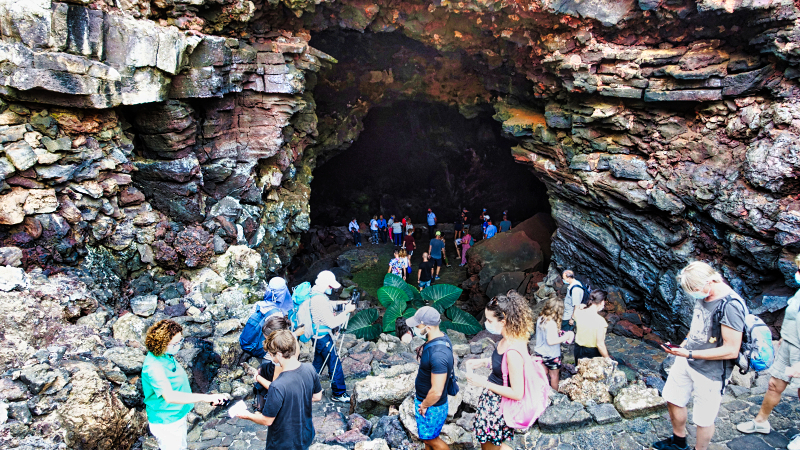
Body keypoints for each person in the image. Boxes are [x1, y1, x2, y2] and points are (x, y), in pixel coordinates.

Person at [653, 261, 746, 450]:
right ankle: (679, 442)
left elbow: (731, 349)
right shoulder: (704, 295)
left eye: (695, 289)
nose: (694, 293)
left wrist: (689, 353)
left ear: (710, 281)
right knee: (673, 397)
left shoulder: (731, 306)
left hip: (711, 371)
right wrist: (683, 347)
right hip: (687, 359)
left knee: (704, 418)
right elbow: (697, 325)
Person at [736, 255, 800, 450]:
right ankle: (761, 422)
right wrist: (783, 338)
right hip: (790, 344)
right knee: (773, 385)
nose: (797, 274)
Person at [142, 320, 230, 450]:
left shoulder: (165, 355)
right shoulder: (154, 367)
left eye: (180, 341)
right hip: (167, 421)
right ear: (162, 343)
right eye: (175, 343)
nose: (179, 345)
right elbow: (170, 396)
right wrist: (205, 398)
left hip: (176, 414)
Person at [467, 291, 535, 450]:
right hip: (491, 403)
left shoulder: (513, 350)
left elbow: (518, 393)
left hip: (498, 407)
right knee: (492, 445)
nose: (486, 323)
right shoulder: (507, 339)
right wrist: (484, 362)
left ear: (503, 320)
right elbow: (504, 366)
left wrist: (484, 383)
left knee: (490, 447)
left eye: (489, 320)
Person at [236, 330, 323, 450]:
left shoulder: (277, 386)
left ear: (279, 354)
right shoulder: (310, 368)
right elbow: (317, 396)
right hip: (305, 434)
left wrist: (248, 415)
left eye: (271, 354)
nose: (271, 357)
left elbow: (267, 420)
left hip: (284, 443)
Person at [407, 307, 454, 450]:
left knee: (433, 440)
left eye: (417, 325)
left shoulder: (439, 354)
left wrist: (424, 405)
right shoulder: (440, 337)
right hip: (427, 402)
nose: (415, 328)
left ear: (427, 327)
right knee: (427, 439)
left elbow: (437, 391)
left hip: (432, 405)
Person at [309, 270, 355, 402]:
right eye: (330, 286)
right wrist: (346, 311)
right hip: (323, 338)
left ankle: (309, 387)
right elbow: (332, 322)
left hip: (317, 336)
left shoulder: (316, 294)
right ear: (325, 285)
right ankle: (339, 393)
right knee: (334, 364)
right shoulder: (319, 299)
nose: (331, 289)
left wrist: (342, 303)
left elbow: (328, 305)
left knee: (318, 363)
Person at [240, 277, 293, 359]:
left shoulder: (258, 304)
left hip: (249, 342)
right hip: (262, 351)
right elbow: (277, 340)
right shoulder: (277, 314)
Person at [534, 296, 574, 390]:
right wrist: (566, 337)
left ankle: (541, 394)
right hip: (552, 355)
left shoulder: (541, 319)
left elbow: (545, 334)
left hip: (539, 353)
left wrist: (557, 332)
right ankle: (554, 397)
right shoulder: (552, 323)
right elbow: (551, 341)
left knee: (541, 376)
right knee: (554, 377)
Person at [572, 290, 610, 361]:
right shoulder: (600, 321)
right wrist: (607, 359)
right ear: (602, 302)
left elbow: (577, 313)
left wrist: (584, 306)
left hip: (578, 349)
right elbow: (600, 345)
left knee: (579, 370)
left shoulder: (578, 312)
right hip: (592, 352)